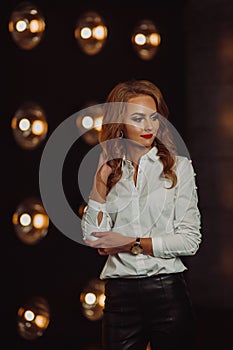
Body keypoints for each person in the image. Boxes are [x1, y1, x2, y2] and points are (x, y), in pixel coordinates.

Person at [81, 79, 202, 350]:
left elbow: (189, 241)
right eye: (138, 118)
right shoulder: (108, 169)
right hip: (119, 297)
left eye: (154, 118)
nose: (149, 127)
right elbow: (92, 236)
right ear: (119, 124)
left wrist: (130, 243)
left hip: (167, 292)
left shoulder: (178, 167)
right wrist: (99, 184)